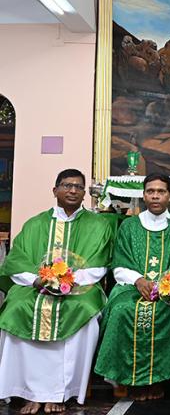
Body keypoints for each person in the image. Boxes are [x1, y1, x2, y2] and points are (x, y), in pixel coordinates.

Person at [0, 169, 112, 414]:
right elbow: (17, 260)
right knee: (16, 307)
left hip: (80, 289)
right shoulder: (35, 224)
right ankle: (27, 392)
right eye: (67, 185)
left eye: (78, 187)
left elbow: (99, 264)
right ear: (55, 190)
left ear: (85, 193)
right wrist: (38, 281)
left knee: (84, 311)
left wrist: (68, 282)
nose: (73, 190)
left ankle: (63, 393)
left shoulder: (99, 225)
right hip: (35, 287)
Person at [94, 173, 170, 401]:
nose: (155, 196)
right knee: (122, 310)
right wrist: (138, 281)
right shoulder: (129, 226)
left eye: (161, 192)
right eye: (150, 191)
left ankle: (161, 379)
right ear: (143, 195)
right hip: (132, 289)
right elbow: (120, 264)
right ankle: (126, 380)